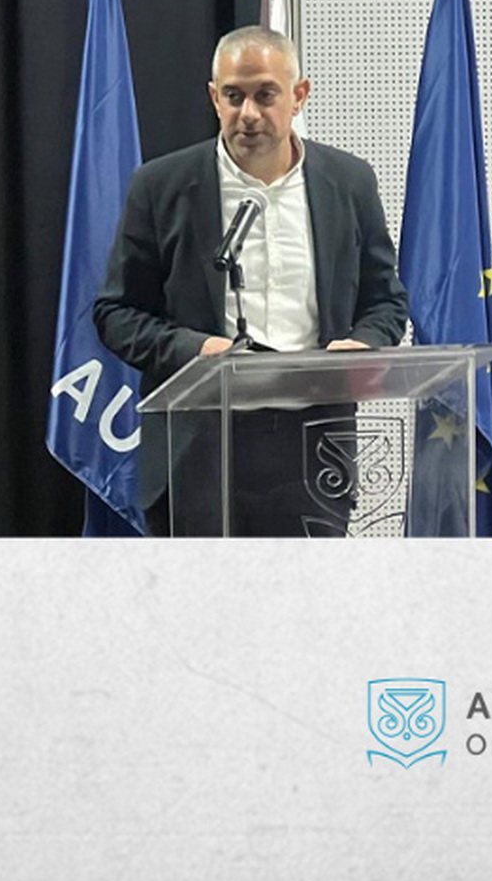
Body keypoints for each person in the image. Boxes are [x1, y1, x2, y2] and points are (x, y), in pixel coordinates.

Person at [94, 27, 408, 535]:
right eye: (234, 96)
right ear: (213, 98)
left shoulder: (350, 183)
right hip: (197, 448)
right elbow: (116, 314)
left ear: (299, 95)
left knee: (305, 586)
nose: (249, 114)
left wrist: (363, 346)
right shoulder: (160, 186)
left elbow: (386, 300)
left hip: (314, 442)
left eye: (265, 95)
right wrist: (196, 350)